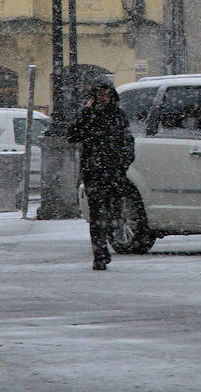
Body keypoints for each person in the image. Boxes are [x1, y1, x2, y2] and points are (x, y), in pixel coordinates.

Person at [67, 79, 135, 271]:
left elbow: (128, 141)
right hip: (94, 172)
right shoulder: (89, 116)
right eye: (99, 95)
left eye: (106, 94)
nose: (103, 98)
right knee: (97, 214)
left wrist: (122, 165)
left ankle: (105, 243)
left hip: (113, 172)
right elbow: (73, 135)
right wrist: (86, 112)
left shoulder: (118, 116)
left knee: (113, 212)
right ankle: (99, 253)